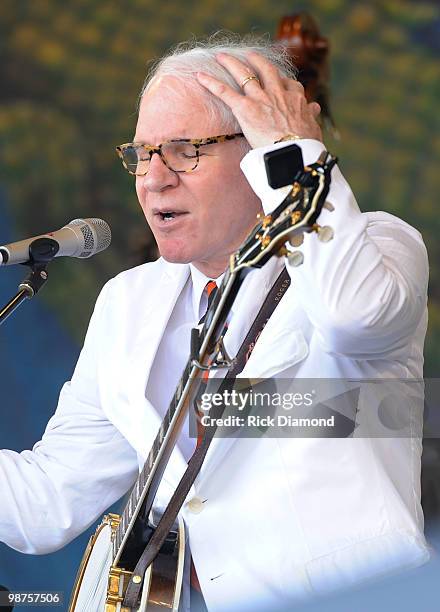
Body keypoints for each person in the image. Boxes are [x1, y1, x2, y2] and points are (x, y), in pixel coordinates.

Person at [0, 35, 430, 611]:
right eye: (141, 153)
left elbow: (355, 319)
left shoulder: (375, 247)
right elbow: (48, 502)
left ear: (257, 150)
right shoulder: (128, 299)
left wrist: (292, 149)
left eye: (184, 150)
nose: (153, 179)